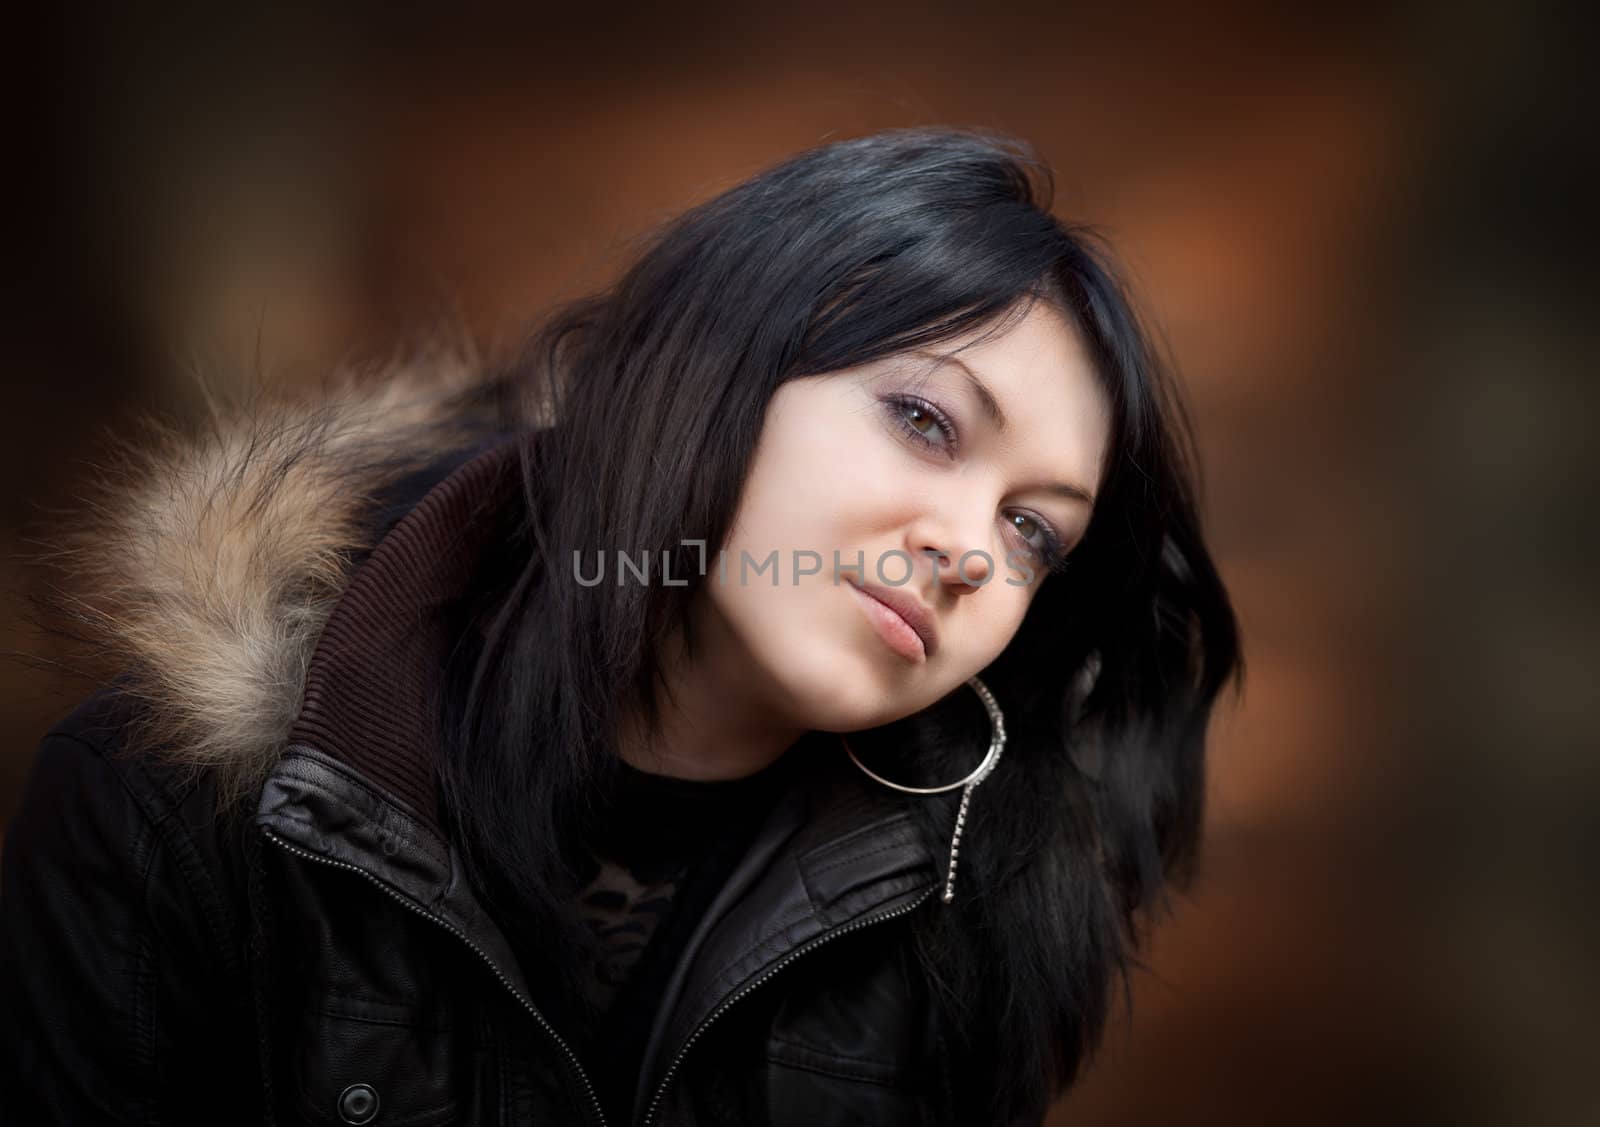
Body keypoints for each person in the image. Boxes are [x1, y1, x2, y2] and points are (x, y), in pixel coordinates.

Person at [0, 127, 1241, 1126]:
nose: (971, 548)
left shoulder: (975, 922)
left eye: (1035, 532)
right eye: (924, 419)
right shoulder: (170, 809)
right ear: (709, 364)